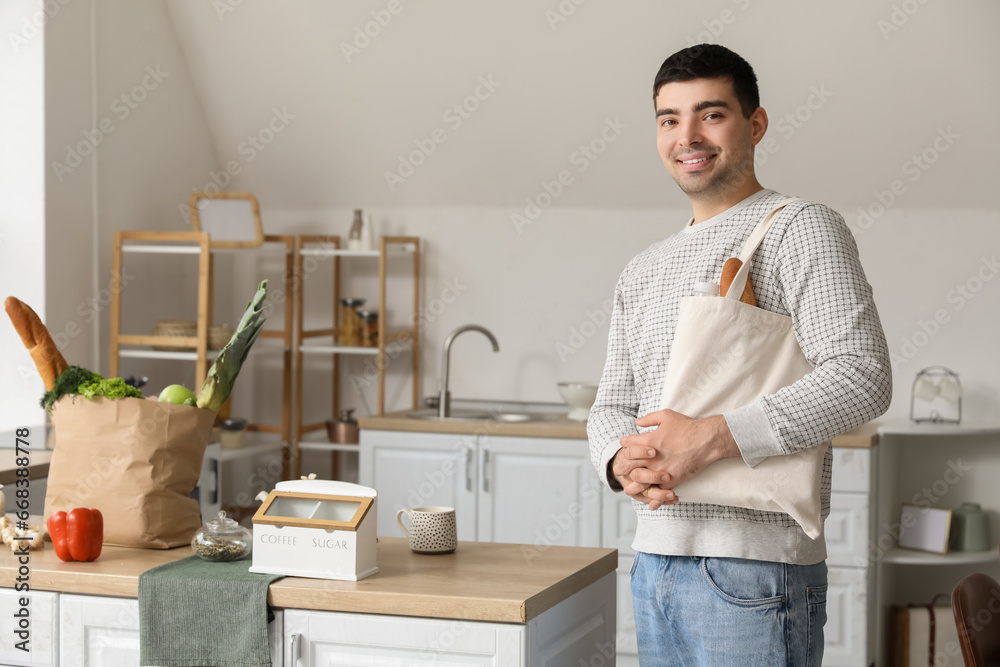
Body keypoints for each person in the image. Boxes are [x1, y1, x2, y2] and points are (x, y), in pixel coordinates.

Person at [587, 44, 892, 666]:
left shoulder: (798, 226)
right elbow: (612, 403)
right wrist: (620, 461)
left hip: (755, 573)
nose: (688, 136)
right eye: (669, 119)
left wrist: (711, 438)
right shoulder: (641, 268)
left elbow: (863, 376)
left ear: (754, 124)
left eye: (711, 114)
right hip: (654, 562)